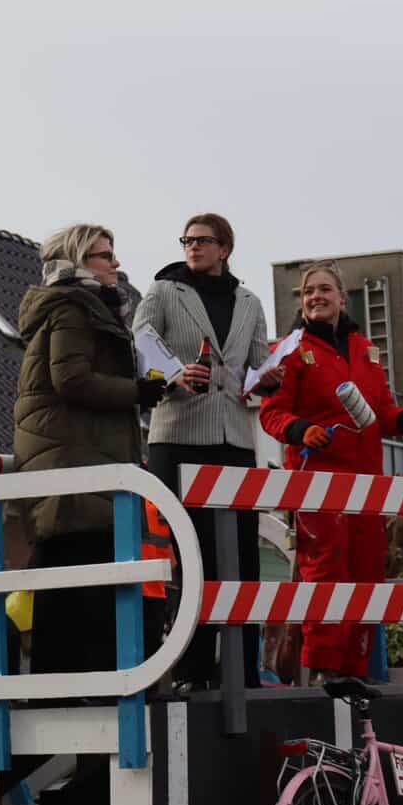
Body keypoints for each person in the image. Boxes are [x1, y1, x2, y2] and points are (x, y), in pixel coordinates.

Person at [259, 260, 403, 681]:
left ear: (341, 297)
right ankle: (325, 669)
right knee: (326, 572)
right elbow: (272, 413)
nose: (315, 297)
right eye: (308, 291)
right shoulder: (289, 350)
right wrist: (302, 430)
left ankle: (356, 669)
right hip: (317, 481)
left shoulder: (365, 350)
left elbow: (380, 412)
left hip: (367, 483)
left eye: (323, 289)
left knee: (367, 572)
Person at [133, 212, 279, 691]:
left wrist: (269, 377)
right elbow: (141, 343)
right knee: (190, 554)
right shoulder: (163, 291)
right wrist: (175, 374)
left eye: (202, 240)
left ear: (225, 249)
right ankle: (191, 672)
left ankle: (242, 671)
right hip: (178, 434)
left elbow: (257, 362)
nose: (192, 247)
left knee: (241, 556)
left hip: (233, 436)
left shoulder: (249, 301)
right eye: (187, 240)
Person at [13, 224, 165, 676]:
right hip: (75, 463)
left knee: (72, 583)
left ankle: (66, 689)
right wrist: (137, 391)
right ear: (78, 262)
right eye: (104, 255)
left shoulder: (76, 305)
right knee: (79, 583)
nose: (116, 263)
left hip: (77, 460)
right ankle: (70, 690)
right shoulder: (73, 307)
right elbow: (72, 379)